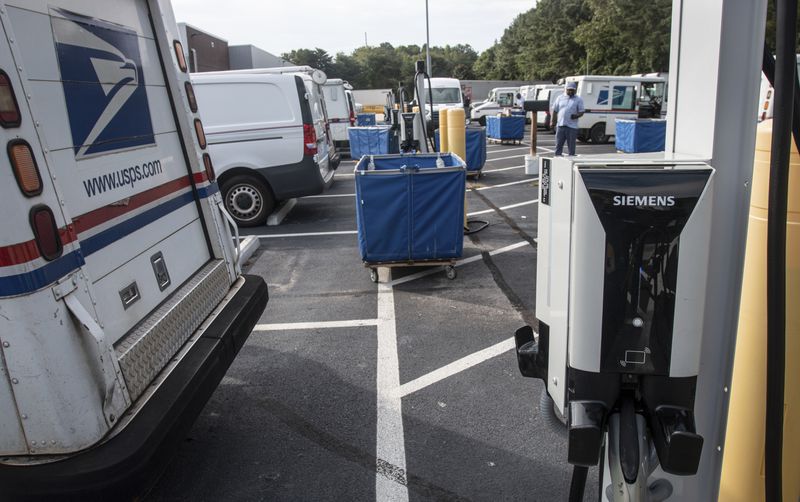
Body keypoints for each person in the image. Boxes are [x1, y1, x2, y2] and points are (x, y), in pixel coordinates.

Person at [551, 81, 585, 156]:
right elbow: (555, 110)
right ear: (566, 89)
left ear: (575, 90)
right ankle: (557, 159)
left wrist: (576, 115)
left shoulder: (578, 99)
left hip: (572, 127)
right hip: (560, 125)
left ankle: (571, 160)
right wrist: (552, 122)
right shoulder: (560, 98)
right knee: (558, 145)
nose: (570, 91)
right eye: (569, 90)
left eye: (572, 90)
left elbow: (582, 111)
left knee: (571, 147)